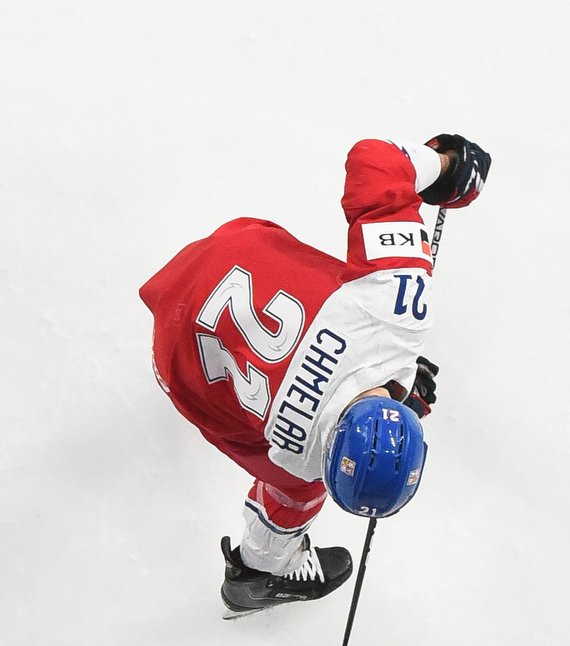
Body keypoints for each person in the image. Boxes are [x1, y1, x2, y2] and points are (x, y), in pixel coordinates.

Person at [140, 135, 491, 616]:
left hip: (226, 256)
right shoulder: (301, 464)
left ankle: (262, 566)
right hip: (174, 356)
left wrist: (445, 166)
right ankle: (258, 571)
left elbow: (374, 157)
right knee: (286, 484)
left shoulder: (398, 308)